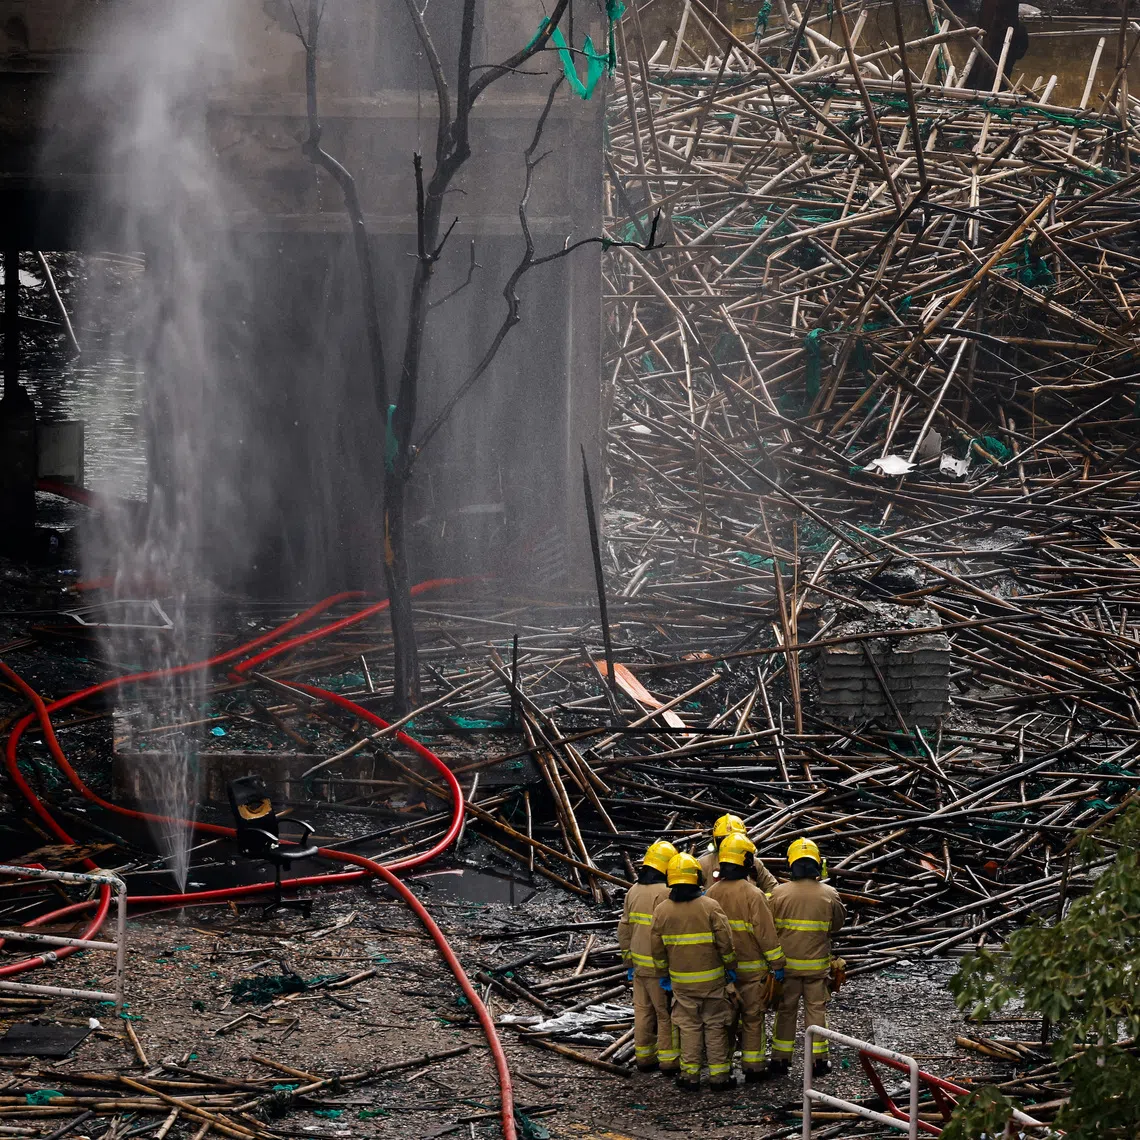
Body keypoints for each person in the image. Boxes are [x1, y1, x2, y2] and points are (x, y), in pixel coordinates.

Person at [649, 851, 738, 1092]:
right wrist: (730, 968)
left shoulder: (662, 910)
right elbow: (725, 943)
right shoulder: (710, 906)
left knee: (688, 1027)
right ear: (697, 877)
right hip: (712, 981)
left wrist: (663, 975)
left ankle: (690, 1075)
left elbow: (656, 950)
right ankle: (719, 1077)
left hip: (681, 983)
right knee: (715, 1025)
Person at [706, 832, 786, 1081]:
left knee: (725, 1022)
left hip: (722, 973)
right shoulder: (754, 895)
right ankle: (753, 1068)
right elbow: (766, 935)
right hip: (752, 973)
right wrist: (778, 964)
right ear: (746, 861)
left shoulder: (710, 893)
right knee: (753, 1019)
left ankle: (722, 1068)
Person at [769, 838, 845, 1077]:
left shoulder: (777, 894)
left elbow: (768, 928)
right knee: (816, 1012)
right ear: (817, 864)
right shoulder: (829, 894)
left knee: (786, 1011)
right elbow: (837, 925)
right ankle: (819, 1061)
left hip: (787, 968)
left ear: (791, 864)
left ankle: (780, 1060)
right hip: (816, 968)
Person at [617, 840, 680, 1073]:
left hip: (639, 965)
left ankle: (644, 1058)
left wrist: (628, 961)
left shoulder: (633, 891)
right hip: (658, 966)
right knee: (665, 1014)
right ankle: (669, 1060)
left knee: (642, 1012)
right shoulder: (667, 893)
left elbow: (623, 929)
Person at [698, 813, 777, 892]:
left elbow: (772, 888)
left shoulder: (754, 863)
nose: (731, 843)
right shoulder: (704, 864)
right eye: (725, 839)